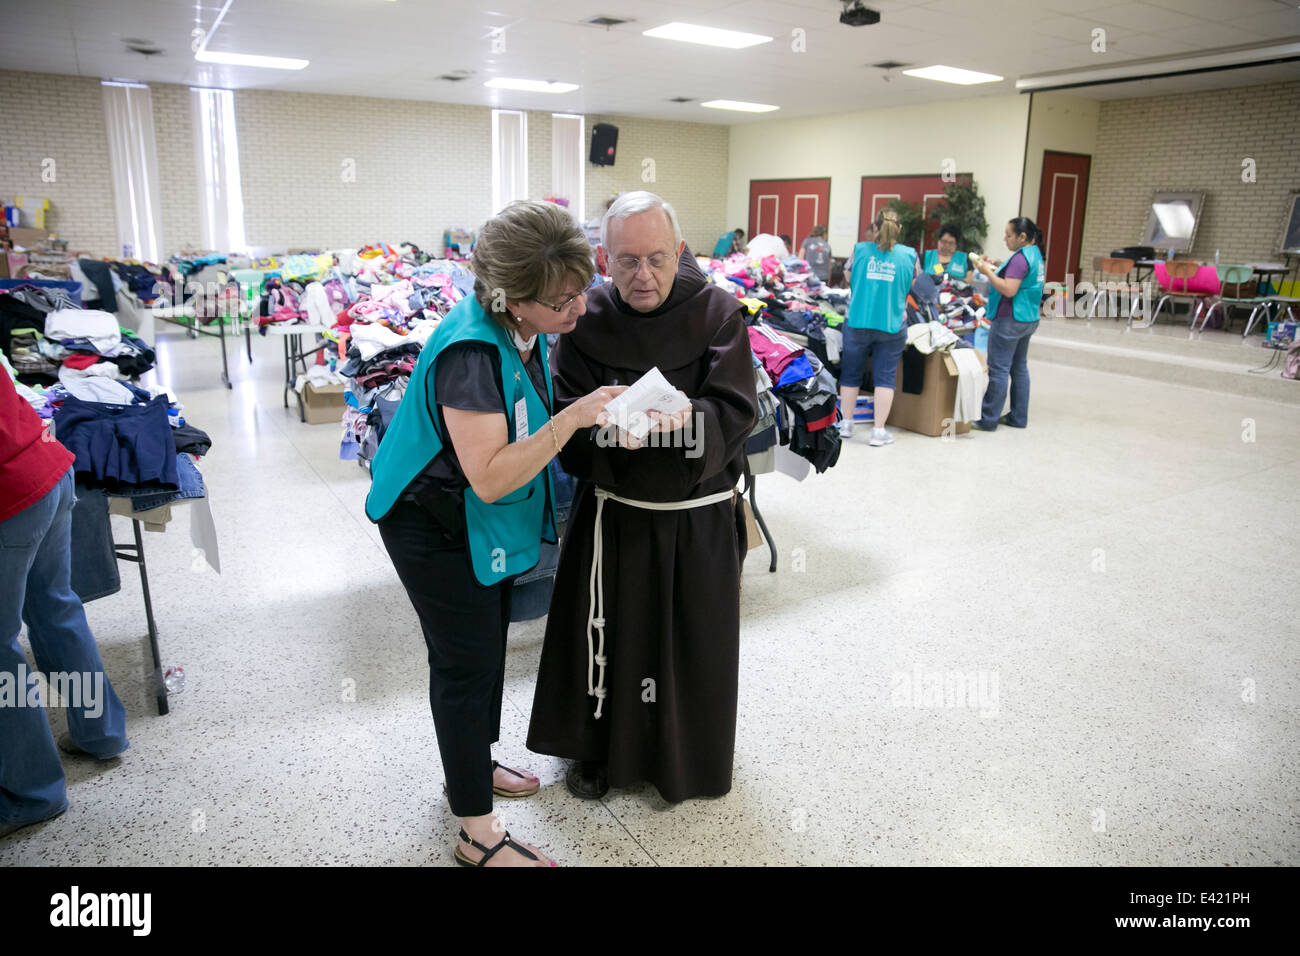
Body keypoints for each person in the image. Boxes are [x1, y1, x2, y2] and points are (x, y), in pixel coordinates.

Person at [366, 200, 624, 867]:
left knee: (482, 650)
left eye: (583, 290)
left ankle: (470, 770)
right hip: (431, 524)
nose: (580, 311)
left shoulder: (519, 326)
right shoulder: (471, 355)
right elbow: (488, 476)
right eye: (564, 301)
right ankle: (476, 834)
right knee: (465, 663)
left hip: (470, 519)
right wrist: (571, 421)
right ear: (512, 300)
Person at [527, 191, 758, 804]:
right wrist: (606, 435)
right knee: (607, 637)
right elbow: (563, 417)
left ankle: (684, 762)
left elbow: (737, 410)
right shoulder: (585, 318)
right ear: (604, 259)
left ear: (679, 251)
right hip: (613, 517)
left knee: (688, 649)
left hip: (694, 521)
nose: (643, 276)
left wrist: (684, 424)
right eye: (627, 261)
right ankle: (598, 753)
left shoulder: (718, 313)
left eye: (657, 259)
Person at [1, 370, 130, 841]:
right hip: (47, 468)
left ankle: (33, 794)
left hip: (8, 496)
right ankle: (101, 734)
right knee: (56, 609)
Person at [839, 209, 918, 445]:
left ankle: (846, 424)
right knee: (885, 378)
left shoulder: (859, 250)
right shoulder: (910, 255)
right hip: (892, 324)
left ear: (874, 228)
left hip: (857, 322)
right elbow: (910, 285)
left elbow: (847, 276)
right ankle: (878, 431)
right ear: (899, 229)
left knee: (850, 373)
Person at [971, 216, 1045, 431]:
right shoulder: (1034, 253)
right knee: (1019, 367)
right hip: (1028, 318)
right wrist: (998, 265)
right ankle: (1018, 417)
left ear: (1022, 237)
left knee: (999, 369)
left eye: (1008, 235)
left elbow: (1009, 289)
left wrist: (986, 272)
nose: (1005, 239)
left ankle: (988, 419)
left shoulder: (1020, 258)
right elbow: (1023, 276)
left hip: (1010, 320)